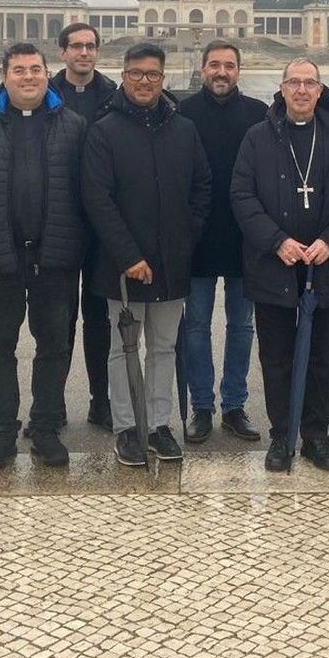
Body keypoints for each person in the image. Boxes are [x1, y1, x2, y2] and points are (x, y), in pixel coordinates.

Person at [233, 59, 329, 472]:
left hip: (324, 264)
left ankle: (314, 435)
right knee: (276, 357)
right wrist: (277, 241)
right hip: (274, 263)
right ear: (282, 88)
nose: (301, 90)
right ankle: (281, 436)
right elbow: (242, 195)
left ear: (320, 89)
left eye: (309, 83)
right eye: (294, 82)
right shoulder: (258, 136)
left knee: (321, 357)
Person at [0, 42, 89, 471]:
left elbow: (87, 195)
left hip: (55, 258)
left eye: (35, 69)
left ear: (47, 73)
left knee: (54, 345)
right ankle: (1, 433)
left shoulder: (74, 125)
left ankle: (46, 428)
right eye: (19, 70)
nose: (28, 77)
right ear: (4, 76)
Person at [81, 43, 210, 467]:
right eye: (136, 74)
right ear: (123, 75)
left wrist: (187, 235)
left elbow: (201, 188)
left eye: (152, 75)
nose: (144, 82)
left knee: (164, 347)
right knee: (123, 348)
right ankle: (126, 427)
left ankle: (157, 424)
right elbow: (97, 199)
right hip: (123, 266)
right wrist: (128, 255)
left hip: (172, 259)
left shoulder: (184, 129)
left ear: (163, 78)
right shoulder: (104, 130)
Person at [177, 40, 267, 444]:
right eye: (215, 65)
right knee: (195, 325)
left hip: (245, 238)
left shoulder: (259, 115)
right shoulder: (182, 113)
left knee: (242, 325)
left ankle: (233, 404)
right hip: (196, 237)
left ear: (238, 71)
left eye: (229, 65)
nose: (221, 72)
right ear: (202, 68)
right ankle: (201, 406)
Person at [50, 21, 120, 432]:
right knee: (58, 321)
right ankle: (52, 405)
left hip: (100, 230)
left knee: (100, 321)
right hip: (58, 222)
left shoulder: (112, 95)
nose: (84, 53)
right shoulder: (45, 93)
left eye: (90, 46)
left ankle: (101, 401)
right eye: (76, 46)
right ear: (63, 52)